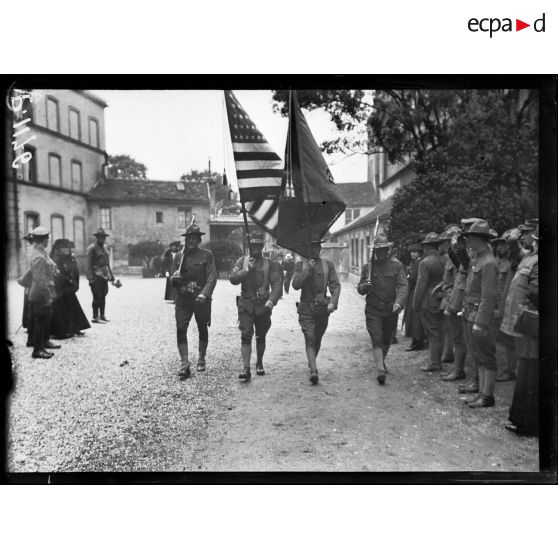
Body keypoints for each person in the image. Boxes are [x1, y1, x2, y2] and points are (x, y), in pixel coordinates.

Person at [229, 230, 282, 380]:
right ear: (249, 246)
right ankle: (246, 368)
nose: (256, 248)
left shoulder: (269, 264)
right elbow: (233, 278)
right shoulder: (242, 262)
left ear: (262, 247)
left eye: (259, 245)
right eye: (253, 245)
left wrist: (272, 300)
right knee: (245, 335)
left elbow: (277, 284)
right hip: (246, 304)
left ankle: (259, 362)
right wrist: (247, 271)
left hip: (263, 305)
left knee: (261, 335)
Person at [501, 226, 539, 435]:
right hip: (526, 322)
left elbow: (537, 292)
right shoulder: (531, 257)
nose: (532, 243)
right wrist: (513, 242)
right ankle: (521, 420)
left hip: (534, 324)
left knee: (531, 373)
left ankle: (529, 424)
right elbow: (516, 257)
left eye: (535, 240)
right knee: (525, 370)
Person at [357, 234, 408, 385]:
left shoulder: (397, 266)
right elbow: (360, 288)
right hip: (373, 308)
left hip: (391, 309)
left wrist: (399, 302)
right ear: (374, 251)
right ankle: (380, 369)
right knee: (376, 337)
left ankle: (381, 361)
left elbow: (403, 285)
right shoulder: (368, 267)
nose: (381, 253)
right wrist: (364, 287)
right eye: (378, 250)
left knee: (386, 339)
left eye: (384, 250)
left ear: (388, 250)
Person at [291, 236, 341, 385]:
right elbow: (295, 285)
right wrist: (308, 269)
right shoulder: (300, 265)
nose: (315, 251)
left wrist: (333, 302)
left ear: (320, 249)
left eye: (317, 248)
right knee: (310, 336)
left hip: (322, 309)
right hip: (306, 307)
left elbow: (335, 286)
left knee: (317, 338)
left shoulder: (328, 265)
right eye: (312, 248)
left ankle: (311, 361)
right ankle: (314, 370)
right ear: (307, 249)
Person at [170, 224, 217, 379]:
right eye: (188, 238)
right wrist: (174, 278)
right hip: (183, 298)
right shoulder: (179, 257)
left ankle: (201, 357)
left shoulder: (207, 255)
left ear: (199, 239)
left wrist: (204, 294)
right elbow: (172, 280)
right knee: (180, 328)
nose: (191, 241)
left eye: (194, 238)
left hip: (200, 299)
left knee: (202, 327)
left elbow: (212, 277)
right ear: (186, 239)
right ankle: (184, 363)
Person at [461, 220, 499, 408]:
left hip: (480, 316)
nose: (468, 241)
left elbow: (489, 295)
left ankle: (487, 396)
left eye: (470, 238)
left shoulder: (489, 262)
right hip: (471, 313)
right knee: (479, 354)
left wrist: (481, 322)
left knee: (486, 356)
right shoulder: (479, 259)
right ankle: (482, 393)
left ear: (479, 239)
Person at [437, 226, 467, 382]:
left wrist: (453, 301)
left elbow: (460, 280)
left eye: (449, 241)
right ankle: (452, 360)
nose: (449, 245)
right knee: (451, 332)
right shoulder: (452, 257)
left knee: (458, 336)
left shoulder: (460, 257)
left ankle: (458, 370)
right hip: (450, 296)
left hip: (456, 298)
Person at [412, 232, 445, 372]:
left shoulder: (425, 263)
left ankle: (435, 362)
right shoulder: (445, 260)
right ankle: (438, 359)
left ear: (427, 247)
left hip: (428, 300)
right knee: (440, 331)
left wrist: (416, 304)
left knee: (432, 333)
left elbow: (421, 285)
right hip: (442, 299)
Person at [26, 227, 61, 358]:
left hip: (42, 291)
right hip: (41, 293)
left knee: (45, 319)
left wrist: (53, 266)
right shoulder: (38, 256)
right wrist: (48, 297)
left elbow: (48, 261)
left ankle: (43, 343)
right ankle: (37, 350)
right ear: (42, 240)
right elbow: (40, 280)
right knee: (41, 321)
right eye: (47, 239)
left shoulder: (39, 251)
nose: (48, 241)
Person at [50, 239, 90, 338]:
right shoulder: (56, 259)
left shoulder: (69, 258)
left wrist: (75, 283)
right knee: (63, 309)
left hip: (69, 287)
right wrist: (68, 280)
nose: (66, 249)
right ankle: (65, 330)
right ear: (58, 249)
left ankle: (75, 327)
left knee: (73, 308)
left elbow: (75, 272)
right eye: (63, 247)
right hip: (61, 288)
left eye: (67, 247)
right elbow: (58, 274)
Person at [492, 230, 518, 382]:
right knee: (501, 340)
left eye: (502, 244)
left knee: (505, 341)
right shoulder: (500, 262)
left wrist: (500, 310)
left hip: (503, 307)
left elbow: (507, 289)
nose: (499, 247)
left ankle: (508, 371)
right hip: (498, 305)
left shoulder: (510, 265)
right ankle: (505, 369)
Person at [85, 228, 115, 324]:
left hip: (104, 276)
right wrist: (90, 279)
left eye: (104, 237)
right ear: (97, 238)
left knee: (103, 295)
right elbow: (88, 265)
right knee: (96, 296)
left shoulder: (105, 248)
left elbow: (107, 264)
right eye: (100, 237)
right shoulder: (92, 248)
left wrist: (112, 276)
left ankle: (102, 315)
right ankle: (95, 317)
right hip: (96, 275)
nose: (102, 239)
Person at [403, 244, 426, 351]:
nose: (413, 254)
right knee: (413, 318)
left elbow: (413, 278)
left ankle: (417, 342)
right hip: (413, 291)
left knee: (414, 318)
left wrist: (408, 276)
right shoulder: (415, 262)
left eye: (415, 252)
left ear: (420, 253)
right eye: (412, 252)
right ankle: (417, 341)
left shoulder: (419, 263)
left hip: (415, 292)